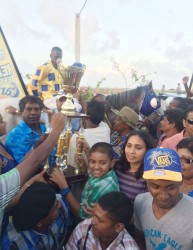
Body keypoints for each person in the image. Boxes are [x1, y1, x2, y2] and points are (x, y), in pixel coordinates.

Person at [0, 112, 65, 234]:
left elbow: (20, 167)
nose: (4, 123)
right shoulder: (15, 135)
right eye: (1, 121)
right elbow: (32, 163)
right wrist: (57, 131)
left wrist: (37, 146)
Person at [134, 147, 193, 249]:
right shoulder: (141, 202)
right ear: (146, 182)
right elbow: (140, 239)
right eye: (155, 186)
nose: (163, 196)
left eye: (171, 187)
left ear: (181, 181)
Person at [51, 142, 119, 220]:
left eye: (103, 163)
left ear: (112, 163)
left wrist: (64, 186)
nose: (96, 167)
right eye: (92, 161)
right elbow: (90, 186)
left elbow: (81, 215)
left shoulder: (102, 185)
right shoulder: (108, 173)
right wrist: (84, 169)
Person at [2, 182, 69, 250]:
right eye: (55, 208)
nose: (60, 205)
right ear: (39, 223)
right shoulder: (15, 245)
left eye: (56, 201)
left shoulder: (58, 205)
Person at [65, 192, 139, 250]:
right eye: (93, 215)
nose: (92, 221)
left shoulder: (130, 248)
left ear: (118, 227)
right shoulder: (84, 228)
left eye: (99, 220)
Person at [5, 96, 54, 166]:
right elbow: (21, 167)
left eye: (36, 109)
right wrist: (36, 146)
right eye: (29, 109)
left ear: (40, 112)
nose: (33, 113)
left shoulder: (45, 129)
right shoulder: (15, 136)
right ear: (21, 112)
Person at [67, 100, 110, 168]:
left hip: (86, 175)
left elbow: (71, 164)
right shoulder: (106, 127)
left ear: (86, 116)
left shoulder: (77, 138)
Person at [114, 130, 154, 202]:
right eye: (128, 146)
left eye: (138, 148)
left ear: (147, 150)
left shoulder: (149, 177)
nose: (131, 151)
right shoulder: (117, 166)